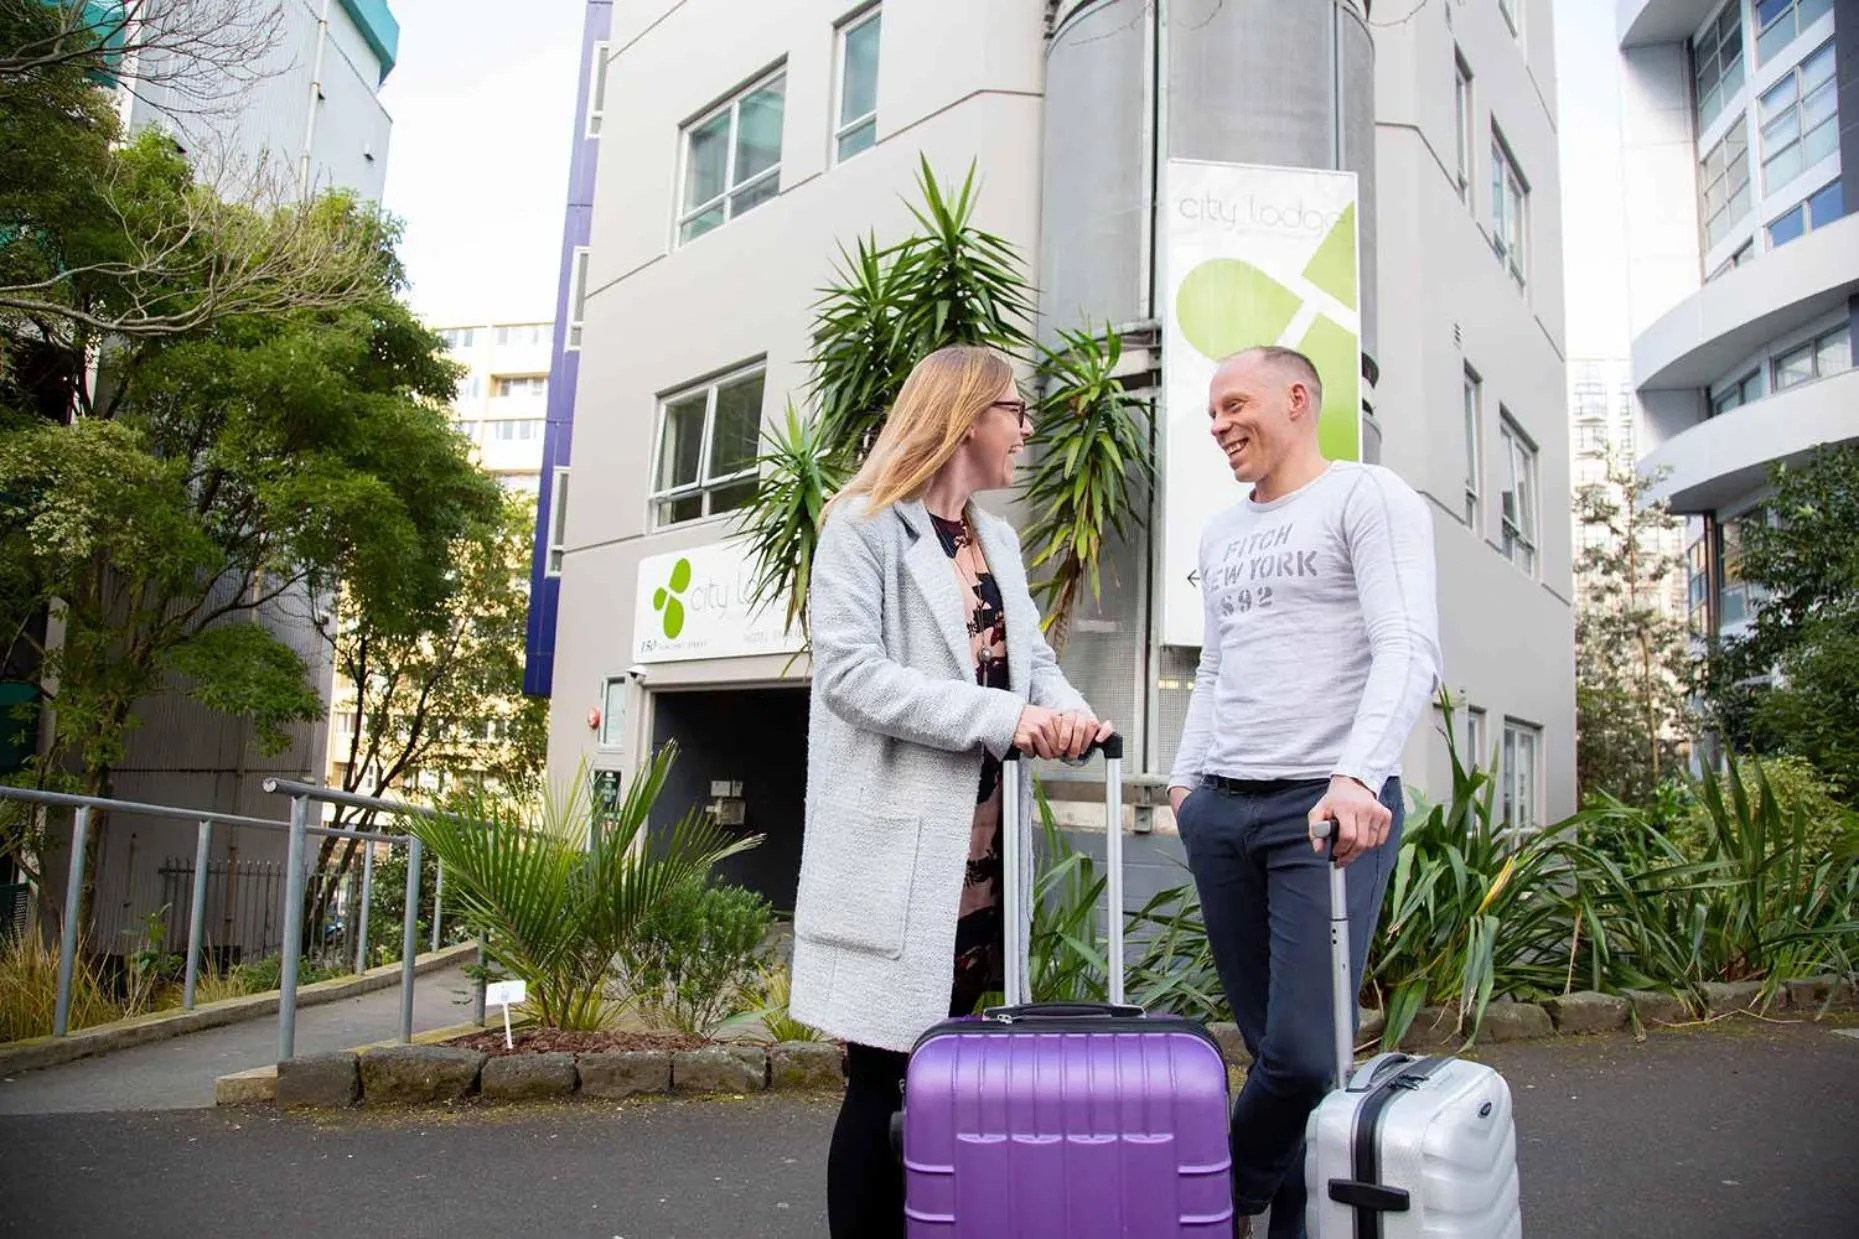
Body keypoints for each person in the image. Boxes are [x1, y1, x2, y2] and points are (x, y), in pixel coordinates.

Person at [788, 344, 1113, 1239]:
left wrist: (1073, 715)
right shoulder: (862, 524)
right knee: (880, 1076)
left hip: (984, 849)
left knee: (956, 1071)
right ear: (967, 416)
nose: (1025, 431)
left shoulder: (993, 538)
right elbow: (850, 675)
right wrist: (1006, 717)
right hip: (900, 852)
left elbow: (1031, 661)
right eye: (1016, 411)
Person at [1167, 346, 1441, 1238]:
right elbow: (1216, 665)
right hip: (1221, 807)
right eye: (1212, 412)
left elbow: (1407, 644)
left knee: (1302, 1051)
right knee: (1271, 1053)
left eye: (1233, 404)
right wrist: (1183, 784)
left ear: (1296, 398)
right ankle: (1288, 1221)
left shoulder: (1366, 496)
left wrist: (1357, 773)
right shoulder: (1221, 531)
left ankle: (1203, 1199)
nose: (1218, 425)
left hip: (1324, 814)